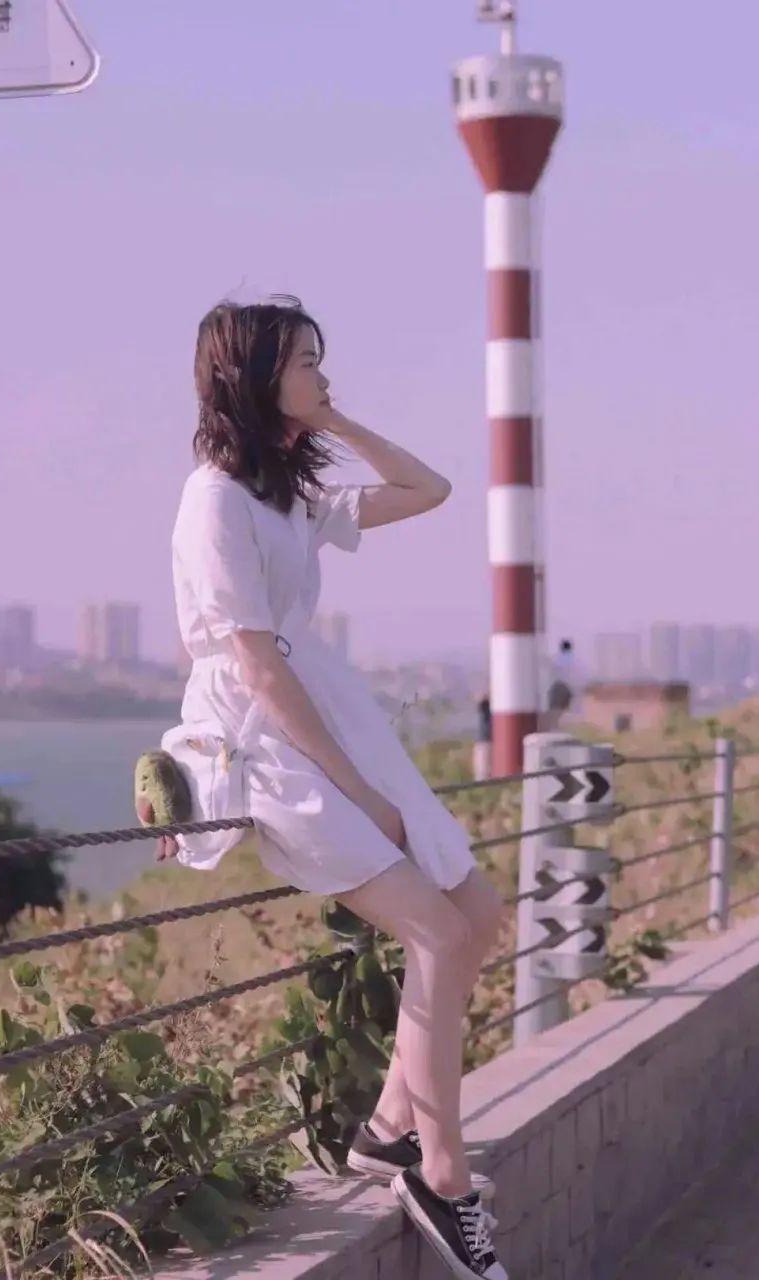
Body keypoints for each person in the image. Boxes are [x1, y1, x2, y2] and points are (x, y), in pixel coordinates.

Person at [156, 298, 508, 1279]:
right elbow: (256, 667)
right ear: (250, 376)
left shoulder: (288, 494)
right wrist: (354, 791)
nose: (321, 374)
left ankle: (390, 1129)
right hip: (272, 740)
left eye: (319, 359)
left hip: (333, 715)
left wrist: (334, 421)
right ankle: (441, 1174)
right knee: (436, 933)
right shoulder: (214, 500)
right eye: (304, 362)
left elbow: (427, 487)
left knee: (476, 914)